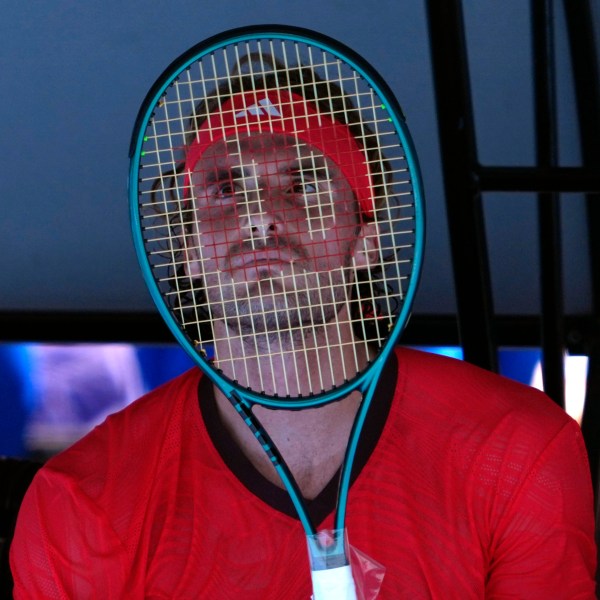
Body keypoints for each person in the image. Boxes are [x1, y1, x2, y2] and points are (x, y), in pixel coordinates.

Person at [10, 50, 597, 599]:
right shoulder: (83, 497)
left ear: (368, 240)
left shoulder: (517, 451)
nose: (260, 215)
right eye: (223, 187)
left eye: (304, 184)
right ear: (187, 247)